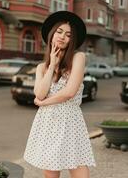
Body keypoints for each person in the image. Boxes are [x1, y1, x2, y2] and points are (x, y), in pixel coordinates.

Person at [24, 10, 96, 178]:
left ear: (72, 40)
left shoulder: (78, 57)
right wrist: (51, 66)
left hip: (70, 121)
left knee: (80, 173)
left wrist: (44, 103)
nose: (63, 37)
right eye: (59, 31)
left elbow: (70, 92)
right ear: (52, 34)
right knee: (51, 174)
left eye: (68, 34)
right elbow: (40, 94)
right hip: (48, 123)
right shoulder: (42, 67)